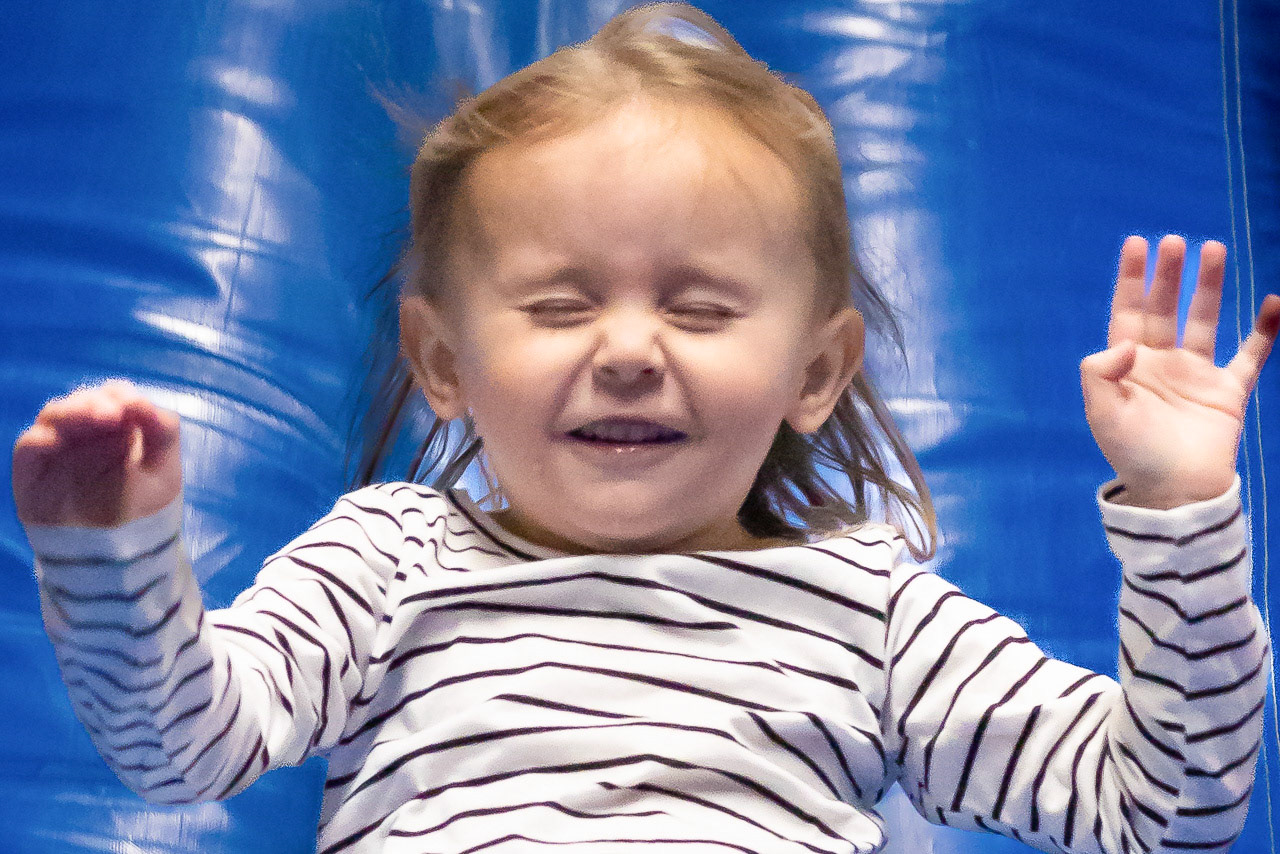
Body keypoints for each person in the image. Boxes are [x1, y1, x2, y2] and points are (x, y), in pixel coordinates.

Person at [11, 4, 1279, 853]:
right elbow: (182, 745)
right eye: (559, 304)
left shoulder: (866, 607)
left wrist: (1177, 517)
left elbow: (1161, 805)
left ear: (815, 371)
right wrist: (113, 562)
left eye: (699, 304)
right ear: (443, 362)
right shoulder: (390, 560)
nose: (626, 350)